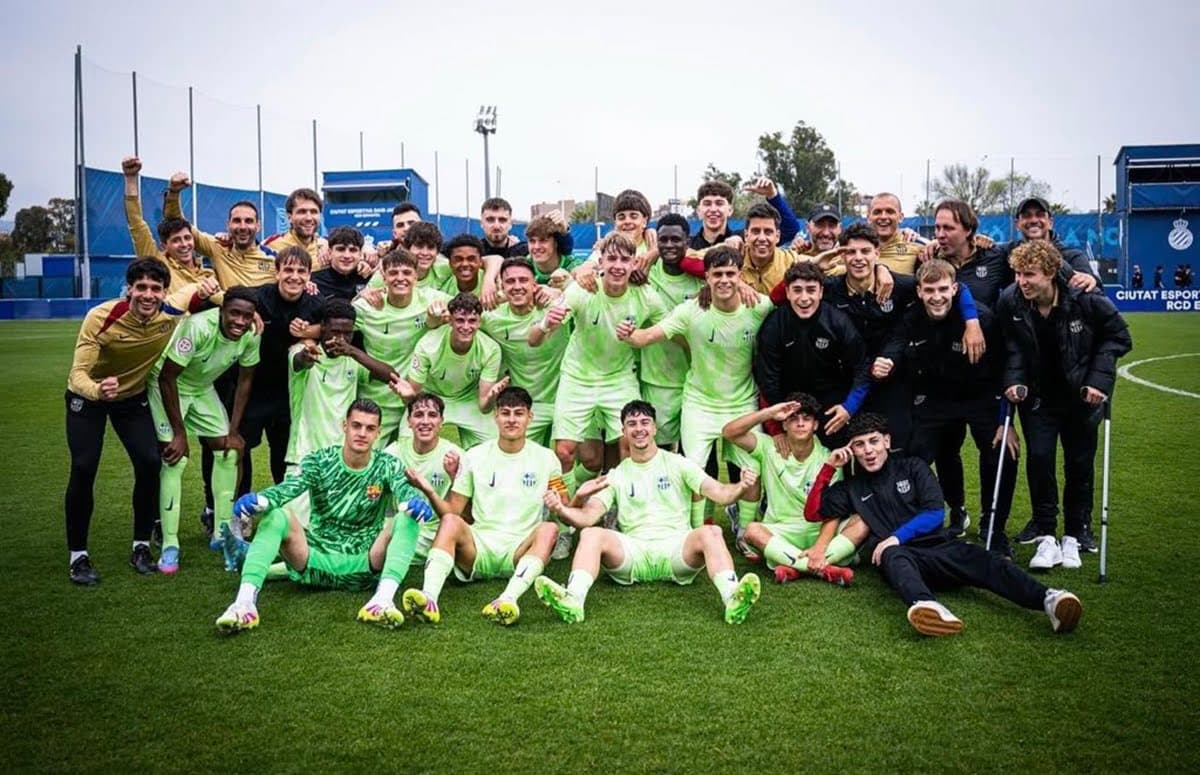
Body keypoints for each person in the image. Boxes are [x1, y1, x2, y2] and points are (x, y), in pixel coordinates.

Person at [811, 413, 1083, 637]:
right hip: (904, 559)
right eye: (859, 445)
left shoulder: (913, 467)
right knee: (893, 557)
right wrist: (828, 467)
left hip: (940, 547)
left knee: (986, 560)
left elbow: (934, 513)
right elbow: (813, 512)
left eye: (873, 441)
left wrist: (895, 536)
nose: (868, 450)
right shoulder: (852, 488)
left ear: (887, 441)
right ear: (852, 450)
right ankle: (928, 607)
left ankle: (1051, 600)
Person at [534, 400, 763, 625]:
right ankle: (573, 598)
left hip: (677, 550)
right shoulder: (615, 474)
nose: (639, 429)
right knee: (591, 535)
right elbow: (587, 518)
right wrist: (561, 508)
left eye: (645, 422)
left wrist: (741, 486)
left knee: (711, 531)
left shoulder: (679, 463)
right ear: (623, 431)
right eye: (632, 424)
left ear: (654, 428)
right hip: (634, 553)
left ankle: (732, 597)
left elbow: (721, 493)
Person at [215, 400, 433, 633]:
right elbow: (291, 487)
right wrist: (263, 499)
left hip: (365, 566)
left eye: (370, 428)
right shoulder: (320, 460)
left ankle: (382, 600)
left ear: (378, 432)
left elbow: (403, 488)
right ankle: (244, 604)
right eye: (356, 425)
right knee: (277, 514)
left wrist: (413, 499)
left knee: (406, 518)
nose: (362, 433)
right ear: (345, 426)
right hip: (312, 562)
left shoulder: (387, 465)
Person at [64, 258, 207, 585]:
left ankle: (141, 547)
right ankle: (78, 556)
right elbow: (77, 374)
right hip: (88, 398)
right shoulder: (101, 317)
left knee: (149, 462)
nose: (148, 295)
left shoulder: (171, 313)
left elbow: (207, 290)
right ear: (129, 289)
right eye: (140, 287)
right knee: (84, 467)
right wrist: (98, 389)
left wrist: (247, 310)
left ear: (164, 292)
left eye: (155, 288)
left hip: (131, 399)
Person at [996, 240, 1132, 568]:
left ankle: (1075, 533)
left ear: (1052, 273)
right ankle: (1046, 533)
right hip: (1039, 398)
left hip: (1081, 398)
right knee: (1040, 459)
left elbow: (1119, 337)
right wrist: (1014, 381)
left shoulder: (1085, 298)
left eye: (1029, 274)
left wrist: (1099, 382)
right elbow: (1011, 345)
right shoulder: (1010, 299)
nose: (1021, 281)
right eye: (1017, 273)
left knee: (1079, 464)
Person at [621, 245, 772, 531]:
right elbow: (646, 337)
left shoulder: (759, 306)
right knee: (694, 473)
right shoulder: (691, 311)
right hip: (699, 405)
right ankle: (697, 530)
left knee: (753, 470)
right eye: (717, 274)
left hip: (741, 404)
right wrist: (630, 335)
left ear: (740, 275)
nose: (724, 280)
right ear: (706, 277)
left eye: (731, 273)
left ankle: (746, 531)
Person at [874, 259, 1016, 549]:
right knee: (920, 455)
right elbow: (897, 342)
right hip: (937, 399)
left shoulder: (983, 319)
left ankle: (994, 525)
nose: (936, 296)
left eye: (942, 289)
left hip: (981, 398)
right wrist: (887, 359)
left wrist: (1006, 421)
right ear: (919, 292)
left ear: (954, 289)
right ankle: (947, 513)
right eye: (929, 290)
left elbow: (1005, 367)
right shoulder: (912, 316)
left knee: (1000, 452)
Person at [400, 386, 564, 626]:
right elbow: (453, 512)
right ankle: (429, 598)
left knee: (549, 529)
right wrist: (429, 489)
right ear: (495, 415)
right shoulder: (473, 456)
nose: (511, 419)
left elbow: (566, 507)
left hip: (520, 551)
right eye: (505, 412)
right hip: (478, 549)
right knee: (450, 521)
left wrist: (566, 503)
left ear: (530, 417)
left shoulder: (547, 457)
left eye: (518, 413)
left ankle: (509, 599)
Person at [533, 232, 668, 488]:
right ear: (601, 262)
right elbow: (535, 338)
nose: (618, 266)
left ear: (633, 263)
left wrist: (639, 336)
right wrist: (545, 324)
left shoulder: (646, 295)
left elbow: (670, 329)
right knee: (564, 452)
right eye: (612, 259)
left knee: (631, 448)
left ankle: (621, 512)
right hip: (577, 379)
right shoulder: (583, 289)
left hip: (619, 380)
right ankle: (565, 510)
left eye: (625, 260)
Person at [149, 287, 261, 573]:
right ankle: (170, 545)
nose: (240, 321)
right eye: (234, 313)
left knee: (228, 451)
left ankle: (222, 532)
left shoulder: (251, 334)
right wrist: (179, 433)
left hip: (201, 388)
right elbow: (166, 377)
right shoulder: (198, 326)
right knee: (175, 459)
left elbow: (246, 382)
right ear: (221, 311)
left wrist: (234, 430)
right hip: (169, 386)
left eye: (247, 316)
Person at [721, 394, 856, 586]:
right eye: (793, 419)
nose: (800, 423)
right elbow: (729, 432)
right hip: (782, 530)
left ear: (815, 425)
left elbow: (833, 513)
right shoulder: (769, 447)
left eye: (806, 419)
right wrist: (769, 413)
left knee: (861, 522)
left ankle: (795, 565)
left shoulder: (828, 458)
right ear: (784, 425)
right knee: (752, 530)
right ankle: (824, 569)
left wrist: (819, 547)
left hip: (819, 532)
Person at [754, 261, 870, 449]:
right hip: (789, 407)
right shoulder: (774, 325)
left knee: (836, 463)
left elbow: (862, 367)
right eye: (797, 290)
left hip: (832, 408)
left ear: (821, 292)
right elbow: (767, 379)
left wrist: (849, 407)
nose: (804, 298)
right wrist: (779, 422)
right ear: (788, 293)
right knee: (789, 467)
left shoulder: (838, 322)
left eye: (811, 290)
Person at [285, 299, 399, 470]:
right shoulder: (304, 351)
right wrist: (306, 356)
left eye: (347, 333)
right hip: (304, 456)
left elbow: (391, 376)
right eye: (335, 332)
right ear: (322, 327)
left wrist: (352, 351)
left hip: (342, 459)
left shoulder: (352, 360)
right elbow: (300, 361)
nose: (341, 339)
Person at [353, 249, 450, 445]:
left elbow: (470, 311)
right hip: (376, 397)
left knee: (411, 459)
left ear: (416, 275)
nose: (400, 278)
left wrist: (445, 317)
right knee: (368, 458)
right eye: (393, 273)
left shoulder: (432, 299)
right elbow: (335, 321)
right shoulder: (366, 307)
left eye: (406, 273)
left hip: (413, 398)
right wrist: (359, 295)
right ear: (383, 276)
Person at [932, 199, 1095, 308]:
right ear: (1017, 224)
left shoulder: (1073, 256)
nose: (1033, 220)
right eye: (1026, 216)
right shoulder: (1005, 252)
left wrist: (1091, 279)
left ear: (1050, 221)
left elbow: (1093, 288)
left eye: (1039, 214)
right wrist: (934, 244)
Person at [392, 293, 505, 449]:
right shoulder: (428, 345)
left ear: (479, 322)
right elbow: (414, 397)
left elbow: (484, 407)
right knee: (406, 440)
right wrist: (408, 396)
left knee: (496, 443)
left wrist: (492, 396)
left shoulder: (491, 349)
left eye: (472, 321)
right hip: (431, 397)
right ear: (450, 321)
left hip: (467, 399)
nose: (466, 327)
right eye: (460, 320)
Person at [481, 258, 567, 447]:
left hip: (564, 398)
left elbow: (579, 289)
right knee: (520, 460)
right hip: (525, 405)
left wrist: (557, 290)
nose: (517, 286)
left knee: (585, 458)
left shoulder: (555, 306)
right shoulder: (491, 317)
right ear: (501, 286)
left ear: (534, 283)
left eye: (523, 280)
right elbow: (459, 316)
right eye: (510, 281)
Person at [636, 213, 703, 450]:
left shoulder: (702, 280)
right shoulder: (645, 275)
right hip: (658, 380)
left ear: (688, 240)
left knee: (695, 453)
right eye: (663, 240)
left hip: (699, 381)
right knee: (660, 449)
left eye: (676, 239)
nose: (669, 245)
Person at [382, 392, 463, 568]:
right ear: (409, 422)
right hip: (399, 526)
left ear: (442, 421)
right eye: (418, 415)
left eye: (432, 415)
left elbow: (465, 516)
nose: (425, 421)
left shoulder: (454, 455)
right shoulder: (393, 453)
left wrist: (454, 477)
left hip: (434, 533)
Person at [120, 156, 216, 297]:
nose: (184, 244)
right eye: (176, 240)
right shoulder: (159, 264)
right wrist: (131, 178)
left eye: (187, 238)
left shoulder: (210, 274)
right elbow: (136, 224)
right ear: (164, 246)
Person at [164, 172, 275, 289]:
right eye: (237, 221)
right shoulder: (217, 248)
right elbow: (176, 221)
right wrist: (174, 193)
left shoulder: (274, 259)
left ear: (258, 226)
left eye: (249, 221)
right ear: (228, 225)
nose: (242, 227)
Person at [689, 177, 801, 250]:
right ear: (699, 211)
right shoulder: (687, 245)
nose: (713, 209)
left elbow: (791, 230)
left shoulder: (746, 238)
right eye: (707, 204)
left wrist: (773, 195)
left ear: (730, 210)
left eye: (719, 203)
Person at [263, 188, 326, 265]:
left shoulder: (327, 247)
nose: (309, 218)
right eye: (302, 212)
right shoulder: (270, 246)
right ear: (289, 217)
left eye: (314, 212)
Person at [312, 226, 372, 300]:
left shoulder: (370, 280)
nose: (347, 255)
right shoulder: (314, 282)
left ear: (360, 254)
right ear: (330, 252)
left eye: (353, 250)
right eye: (341, 249)